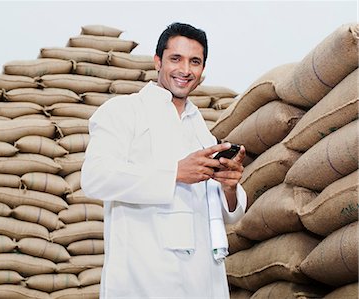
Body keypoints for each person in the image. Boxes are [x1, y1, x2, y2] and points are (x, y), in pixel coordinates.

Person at [81, 22, 247, 298]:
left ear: (202, 70)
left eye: (195, 62)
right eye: (176, 59)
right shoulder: (123, 111)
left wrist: (229, 188)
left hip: (203, 281)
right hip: (143, 279)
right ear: (158, 61)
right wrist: (175, 173)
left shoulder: (202, 132)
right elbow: (95, 177)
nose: (185, 70)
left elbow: (222, 213)